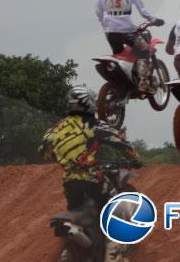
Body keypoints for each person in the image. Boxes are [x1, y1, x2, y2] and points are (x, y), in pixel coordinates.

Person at [39, 85, 141, 261]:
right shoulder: (93, 124)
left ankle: (71, 252)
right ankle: (113, 252)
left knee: (80, 213)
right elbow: (120, 140)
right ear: (88, 103)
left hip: (70, 182)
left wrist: (65, 157)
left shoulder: (56, 128)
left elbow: (43, 150)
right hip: (94, 178)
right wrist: (136, 159)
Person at [95, 0, 163, 93]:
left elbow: (98, 13)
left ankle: (124, 81)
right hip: (127, 32)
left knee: (120, 56)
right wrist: (154, 20)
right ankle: (143, 82)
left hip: (110, 33)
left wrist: (105, 25)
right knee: (145, 51)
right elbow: (143, 11)